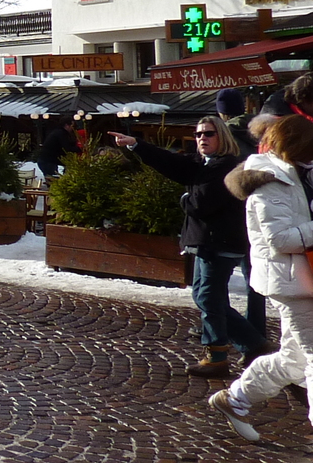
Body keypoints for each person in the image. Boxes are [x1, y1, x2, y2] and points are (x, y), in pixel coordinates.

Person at [113, 118, 266, 377]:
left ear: (222, 137)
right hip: (206, 242)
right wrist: (137, 145)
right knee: (206, 297)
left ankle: (219, 354)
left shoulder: (224, 166)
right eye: (198, 134)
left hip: (219, 244)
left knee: (208, 297)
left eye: (208, 134)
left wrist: (184, 198)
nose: (202, 138)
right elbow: (172, 163)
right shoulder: (203, 164)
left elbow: (200, 204)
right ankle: (253, 345)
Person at [209, 115, 313, 443]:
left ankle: (235, 399)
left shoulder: (300, 171)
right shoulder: (269, 181)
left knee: (294, 360)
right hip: (291, 283)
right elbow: (280, 238)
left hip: (305, 277)